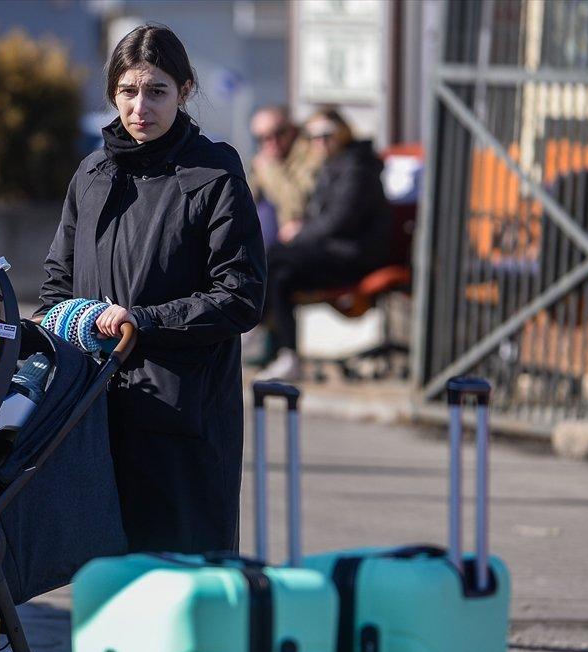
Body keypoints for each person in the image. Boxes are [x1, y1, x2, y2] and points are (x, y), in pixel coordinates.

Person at [37, 24, 266, 555]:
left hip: (180, 417)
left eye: (157, 91)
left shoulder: (213, 174)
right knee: (105, 579)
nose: (141, 106)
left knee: (181, 577)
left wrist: (142, 320)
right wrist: (69, 326)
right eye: (128, 91)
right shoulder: (91, 174)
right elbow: (56, 286)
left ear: (185, 91)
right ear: (112, 95)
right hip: (92, 411)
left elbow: (240, 294)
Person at [257, 108, 391, 381]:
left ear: (343, 130)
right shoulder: (332, 164)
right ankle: (287, 355)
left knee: (274, 257)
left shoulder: (357, 166)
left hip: (354, 256)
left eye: (326, 134)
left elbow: (339, 221)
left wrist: (298, 233)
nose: (319, 142)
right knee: (281, 276)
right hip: (332, 251)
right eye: (313, 136)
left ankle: (253, 329)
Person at [247, 104, 322, 364]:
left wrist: (269, 170)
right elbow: (245, 202)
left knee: (272, 271)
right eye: (262, 138)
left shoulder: (310, 155)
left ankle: (263, 338)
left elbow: (298, 206)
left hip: (313, 246)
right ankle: (257, 335)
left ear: (292, 131)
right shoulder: (265, 163)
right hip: (282, 246)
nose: (271, 143)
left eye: (278, 133)